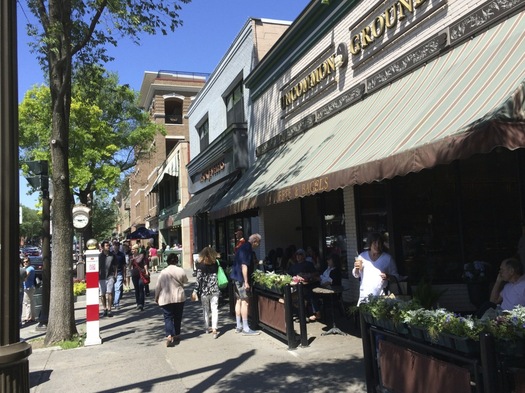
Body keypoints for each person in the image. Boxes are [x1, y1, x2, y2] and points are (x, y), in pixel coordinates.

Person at [353, 232, 399, 306]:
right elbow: (356, 275)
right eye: (374, 243)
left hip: (381, 299)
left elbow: (397, 277)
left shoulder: (387, 259)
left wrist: (388, 277)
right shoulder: (362, 256)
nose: (377, 245)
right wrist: (356, 268)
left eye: (379, 243)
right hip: (364, 298)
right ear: (370, 244)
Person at [230, 233, 262, 336]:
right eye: (258, 243)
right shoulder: (247, 249)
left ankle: (239, 325)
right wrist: (246, 281)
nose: (258, 245)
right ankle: (246, 328)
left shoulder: (242, 247)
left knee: (238, 301)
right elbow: (244, 266)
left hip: (235, 277)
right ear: (255, 241)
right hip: (241, 279)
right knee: (245, 302)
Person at [155, 253, 188, 347]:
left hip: (166, 297)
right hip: (179, 296)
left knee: (168, 317)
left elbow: (158, 286)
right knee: (178, 316)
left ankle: (169, 335)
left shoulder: (163, 272)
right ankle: (177, 334)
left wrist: (156, 297)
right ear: (177, 261)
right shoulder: (180, 270)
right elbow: (186, 280)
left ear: (168, 261)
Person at [192, 246, 221, 339]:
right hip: (214, 289)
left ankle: (206, 327)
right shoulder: (215, 263)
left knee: (205, 309)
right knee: (215, 309)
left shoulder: (200, 265)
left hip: (204, 290)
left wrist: (195, 290)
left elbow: (198, 279)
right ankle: (214, 329)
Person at [288, 248, 320, 321]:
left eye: (300, 254)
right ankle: (298, 314)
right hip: (295, 287)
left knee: (304, 295)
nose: (298, 256)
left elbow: (316, 273)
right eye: (297, 255)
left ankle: (303, 315)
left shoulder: (308, 264)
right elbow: (289, 275)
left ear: (304, 256)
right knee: (287, 296)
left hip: (307, 286)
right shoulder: (294, 266)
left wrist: (306, 275)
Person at [99, 240, 117, 317]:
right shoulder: (99, 256)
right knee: (102, 294)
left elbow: (116, 266)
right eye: (106, 245)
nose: (108, 247)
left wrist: (115, 275)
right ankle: (104, 308)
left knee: (110, 292)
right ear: (102, 247)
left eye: (109, 245)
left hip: (110, 276)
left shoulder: (112, 255)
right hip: (101, 277)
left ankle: (109, 309)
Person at [130, 244, 147, 311]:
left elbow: (145, 264)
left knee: (141, 288)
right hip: (134, 274)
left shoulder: (141, 256)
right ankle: (138, 303)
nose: (132, 251)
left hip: (141, 274)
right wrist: (130, 262)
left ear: (136, 250)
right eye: (132, 249)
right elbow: (129, 266)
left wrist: (146, 271)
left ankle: (141, 304)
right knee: (136, 289)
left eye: (133, 249)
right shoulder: (131, 257)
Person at [21, 257, 36, 325]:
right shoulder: (29, 268)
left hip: (28, 288)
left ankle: (28, 317)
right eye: (24, 262)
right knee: (30, 302)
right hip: (29, 287)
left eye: (26, 261)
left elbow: (24, 277)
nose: (25, 263)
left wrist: (23, 269)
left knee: (27, 303)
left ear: (29, 262)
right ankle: (32, 317)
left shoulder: (29, 269)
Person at [112, 240, 126, 310]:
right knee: (112, 289)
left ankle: (116, 303)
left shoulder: (122, 255)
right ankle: (113, 301)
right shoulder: (111, 254)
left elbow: (124, 266)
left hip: (120, 273)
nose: (116, 246)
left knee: (117, 289)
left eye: (117, 245)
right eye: (114, 245)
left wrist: (124, 275)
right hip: (111, 274)